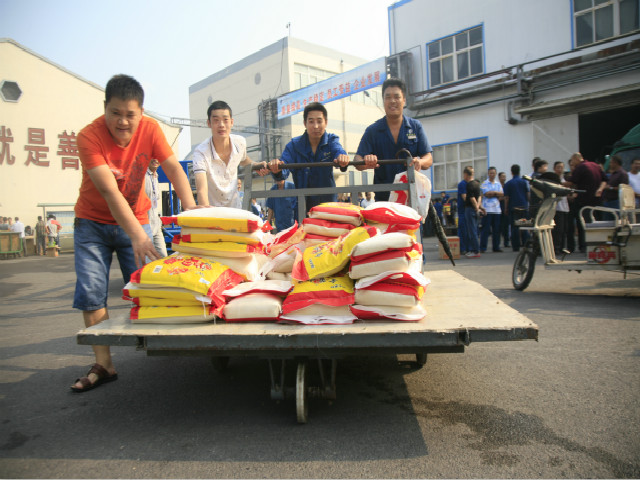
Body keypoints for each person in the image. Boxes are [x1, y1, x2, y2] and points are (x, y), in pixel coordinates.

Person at [70, 74, 200, 393]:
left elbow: (173, 170)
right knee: (92, 291)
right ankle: (104, 364)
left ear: (141, 113)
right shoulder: (89, 137)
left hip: (137, 217)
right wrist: (138, 236)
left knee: (153, 286)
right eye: (115, 113)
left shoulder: (151, 129)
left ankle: (166, 346)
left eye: (130, 114)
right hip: (92, 223)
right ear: (105, 110)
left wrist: (195, 213)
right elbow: (110, 191)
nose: (123, 122)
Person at [355, 78, 433, 202]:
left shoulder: (415, 127)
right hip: (383, 199)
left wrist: (420, 162)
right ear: (383, 100)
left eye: (397, 97)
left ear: (404, 100)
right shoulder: (373, 131)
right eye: (388, 97)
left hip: (411, 198)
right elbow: (357, 161)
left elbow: (428, 158)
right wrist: (366, 162)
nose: (392, 101)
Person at [268, 102, 350, 212]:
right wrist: (277, 168)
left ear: (326, 122)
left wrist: (342, 157)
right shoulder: (294, 146)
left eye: (319, 121)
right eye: (311, 121)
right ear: (304, 123)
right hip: (303, 206)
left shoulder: (331, 140)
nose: (315, 126)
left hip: (328, 206)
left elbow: (338, 151)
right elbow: (283, 168)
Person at [193, 100, 268, 209]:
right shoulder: (201, 152)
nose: (221, 125)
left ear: (232, 122)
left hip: (235, 211)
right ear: (208, 123)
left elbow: (243, 159)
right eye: (216, 120)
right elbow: (201, 191)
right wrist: (207, 219)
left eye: (225, 120)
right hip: (212, 213)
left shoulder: (240, 143)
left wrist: (255, 165)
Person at [564, 152, 606, 253]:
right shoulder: (596, 166)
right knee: (597, 224)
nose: (572, 163)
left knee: (583, 224)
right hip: (597, 201)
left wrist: (556, 185)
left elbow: (570, 183)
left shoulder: (580, 168)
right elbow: (604, 180)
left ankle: (586, 247)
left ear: (576, 158)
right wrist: (600, 189)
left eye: (572, 160)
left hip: (584, 201)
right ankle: (593, 246)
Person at [503, 164, 530, 251]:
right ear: (519, 171)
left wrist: (506, 208)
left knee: (514, 227)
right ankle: (526, 244)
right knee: (525, 226)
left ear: (511, 172)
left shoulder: (508, 183)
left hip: (513, 208)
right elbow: (528, 194)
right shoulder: (524, 182)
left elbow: (507, 198)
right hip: (524, 206)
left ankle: (516, 246)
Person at [144, 158, 167, 257]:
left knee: (163, 256)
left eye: (158, 157)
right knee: (147, 259)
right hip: (144, 225)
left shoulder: (155, 176)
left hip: (156, 224)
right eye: (152, 156)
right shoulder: (142, 176)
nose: (156, 160)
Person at [479, 166, 504, 253]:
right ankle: (483, 247)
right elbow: (487, 194)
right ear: (488, 174)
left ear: (495, 174)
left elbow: (502, 194)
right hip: (487, 210)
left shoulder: (498, 184)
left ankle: (496, 247)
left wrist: (494, 193)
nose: (492, 174)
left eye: (493, 173)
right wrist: (496, 194)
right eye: (490, 173)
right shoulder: (484, 183)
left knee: (496, 230)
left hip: (497, 210)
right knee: (485, 229)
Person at [463, 166, 482, 258]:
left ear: (466, 174)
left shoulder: (469, 184)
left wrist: (475, 207)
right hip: (474, 209)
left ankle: (475, 251)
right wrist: (478, 207)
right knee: (474, 230)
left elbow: (472, 198)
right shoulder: (477, 184)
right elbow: (479, 197)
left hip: (470, 209)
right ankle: (474, 249)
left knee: (472, 231)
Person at [551, 162, 570, 254]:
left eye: (562, 167)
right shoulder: (553, 179)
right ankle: (556, 248)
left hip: (564, 207)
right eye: (558, 167)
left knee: (564, 229)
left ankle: (562, 247)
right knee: (558, 230)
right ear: (554, 168)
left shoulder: (564, 179)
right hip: (557, 208)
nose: (560, 169)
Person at [457, 171, 470, 254]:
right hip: (463, 210)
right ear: (465, 174)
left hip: (466, 210)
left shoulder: (469, 184)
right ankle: (462, 248)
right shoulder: (462, 184)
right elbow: (464, 197)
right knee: (463, 230)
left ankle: (466, 247)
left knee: (467, 230)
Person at [498, 171, 510, 248]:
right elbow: (497, 198)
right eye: (502, 176)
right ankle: (498, 243)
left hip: (505, 208)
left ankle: (506, 242)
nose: (504, 178)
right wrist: (503, 198)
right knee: (498, 227)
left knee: (506, 226)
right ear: (499, 178)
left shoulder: (506, 186)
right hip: (498, 208)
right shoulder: (497, 186)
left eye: (505, 176)